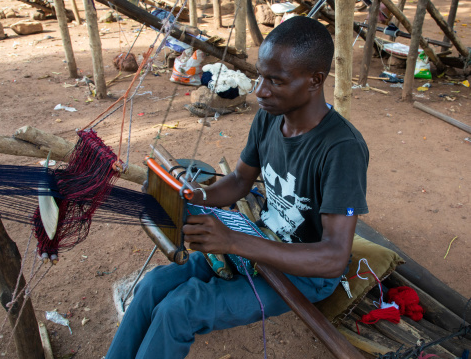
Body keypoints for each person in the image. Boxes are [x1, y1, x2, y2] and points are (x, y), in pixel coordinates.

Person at [106, 16, 368, 359]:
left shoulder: (341, 149)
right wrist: (194, 195)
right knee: (153, 286)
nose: (260, 90)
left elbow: (333, 258)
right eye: (260, 75)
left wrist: (233, 241)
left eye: (275, 80)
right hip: (257, 242)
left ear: (314, 81)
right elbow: (240, 181)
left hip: (306, 273)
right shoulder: (270, 117)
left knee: (180, 309)